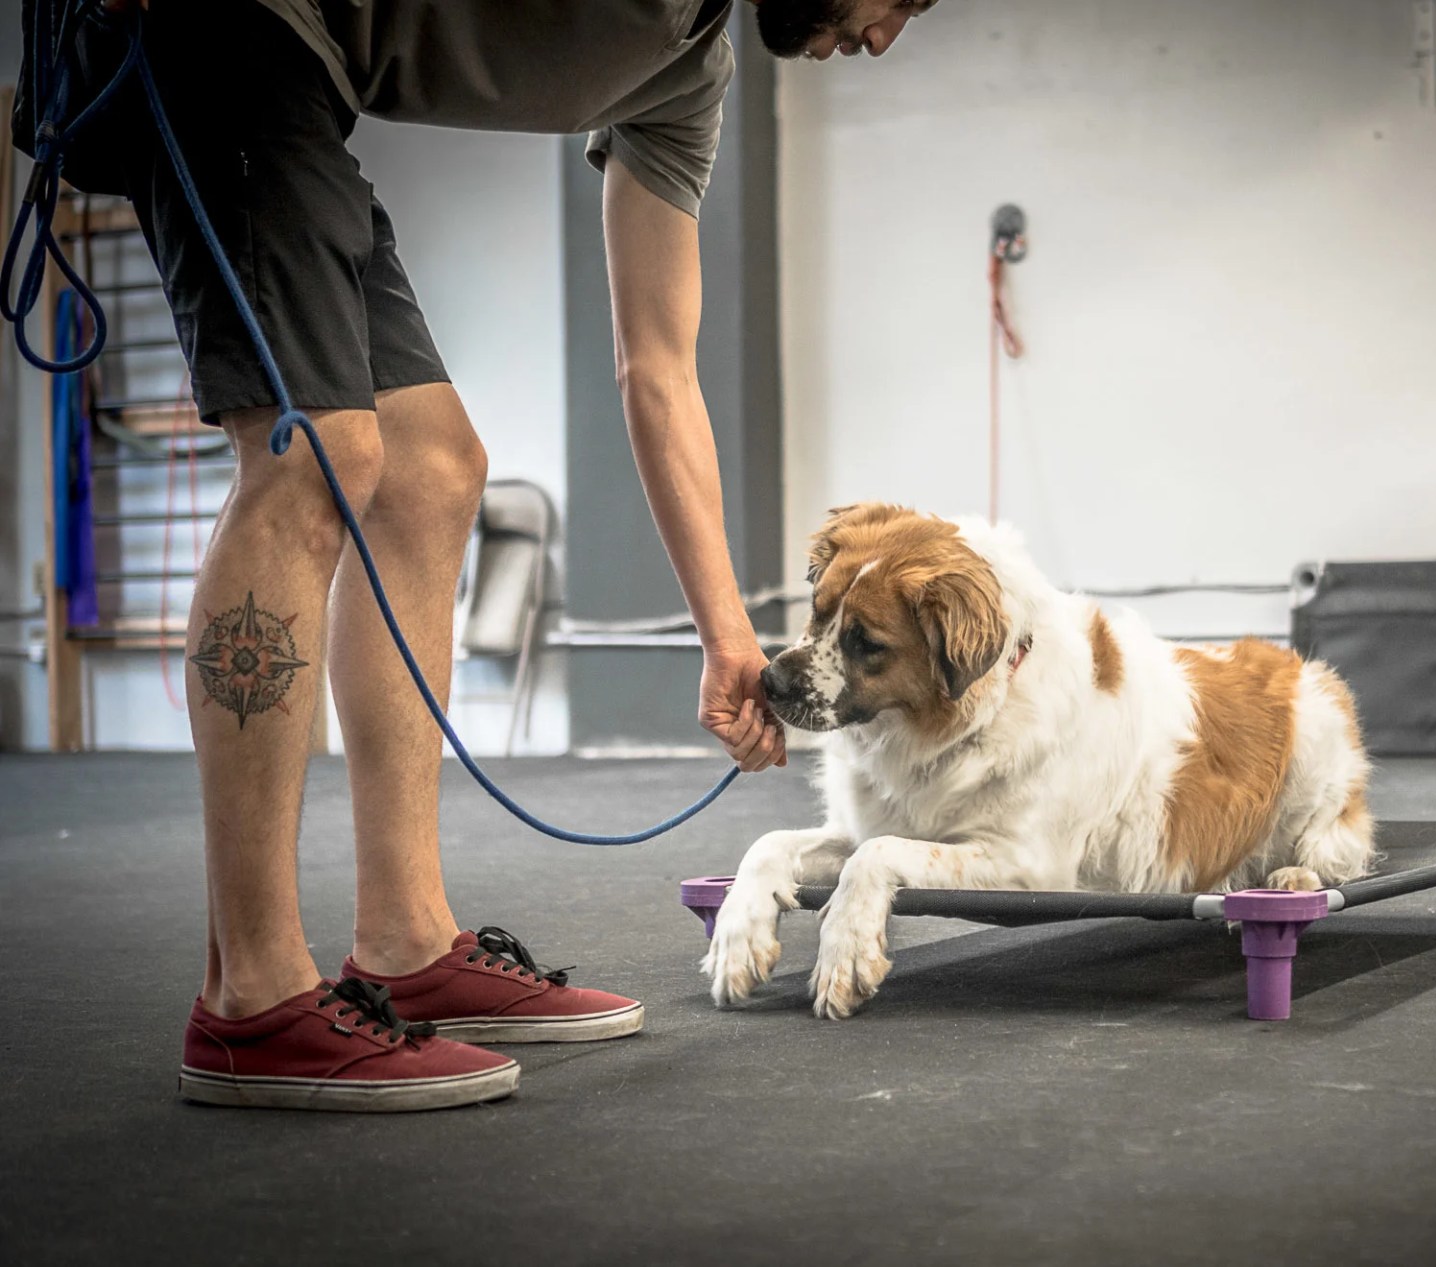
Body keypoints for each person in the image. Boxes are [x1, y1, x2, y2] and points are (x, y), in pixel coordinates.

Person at [36, 0, 938, 1112]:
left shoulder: (687, 78)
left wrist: (725, 639)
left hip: (299, 84)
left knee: (432, 468)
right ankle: (250, 996)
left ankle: (406, 941)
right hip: (220, 29)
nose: (888, 32)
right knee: (315, 453)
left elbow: (657, 367)